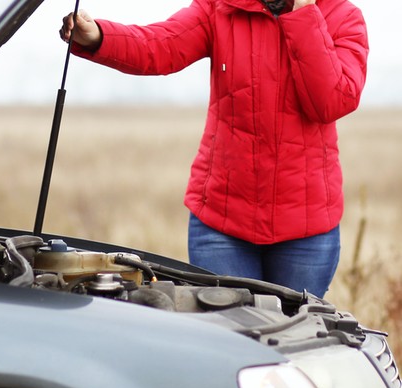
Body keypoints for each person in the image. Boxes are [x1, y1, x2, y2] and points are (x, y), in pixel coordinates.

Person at [59, 0, 369, 298]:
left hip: (306, 232)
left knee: (294, 340)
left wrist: (305, 13)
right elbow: (160, 44)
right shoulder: (221, 7)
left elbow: (330, 102)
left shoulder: (343, 17)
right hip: (222, 225)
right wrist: (98, 36)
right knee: (226, 342)